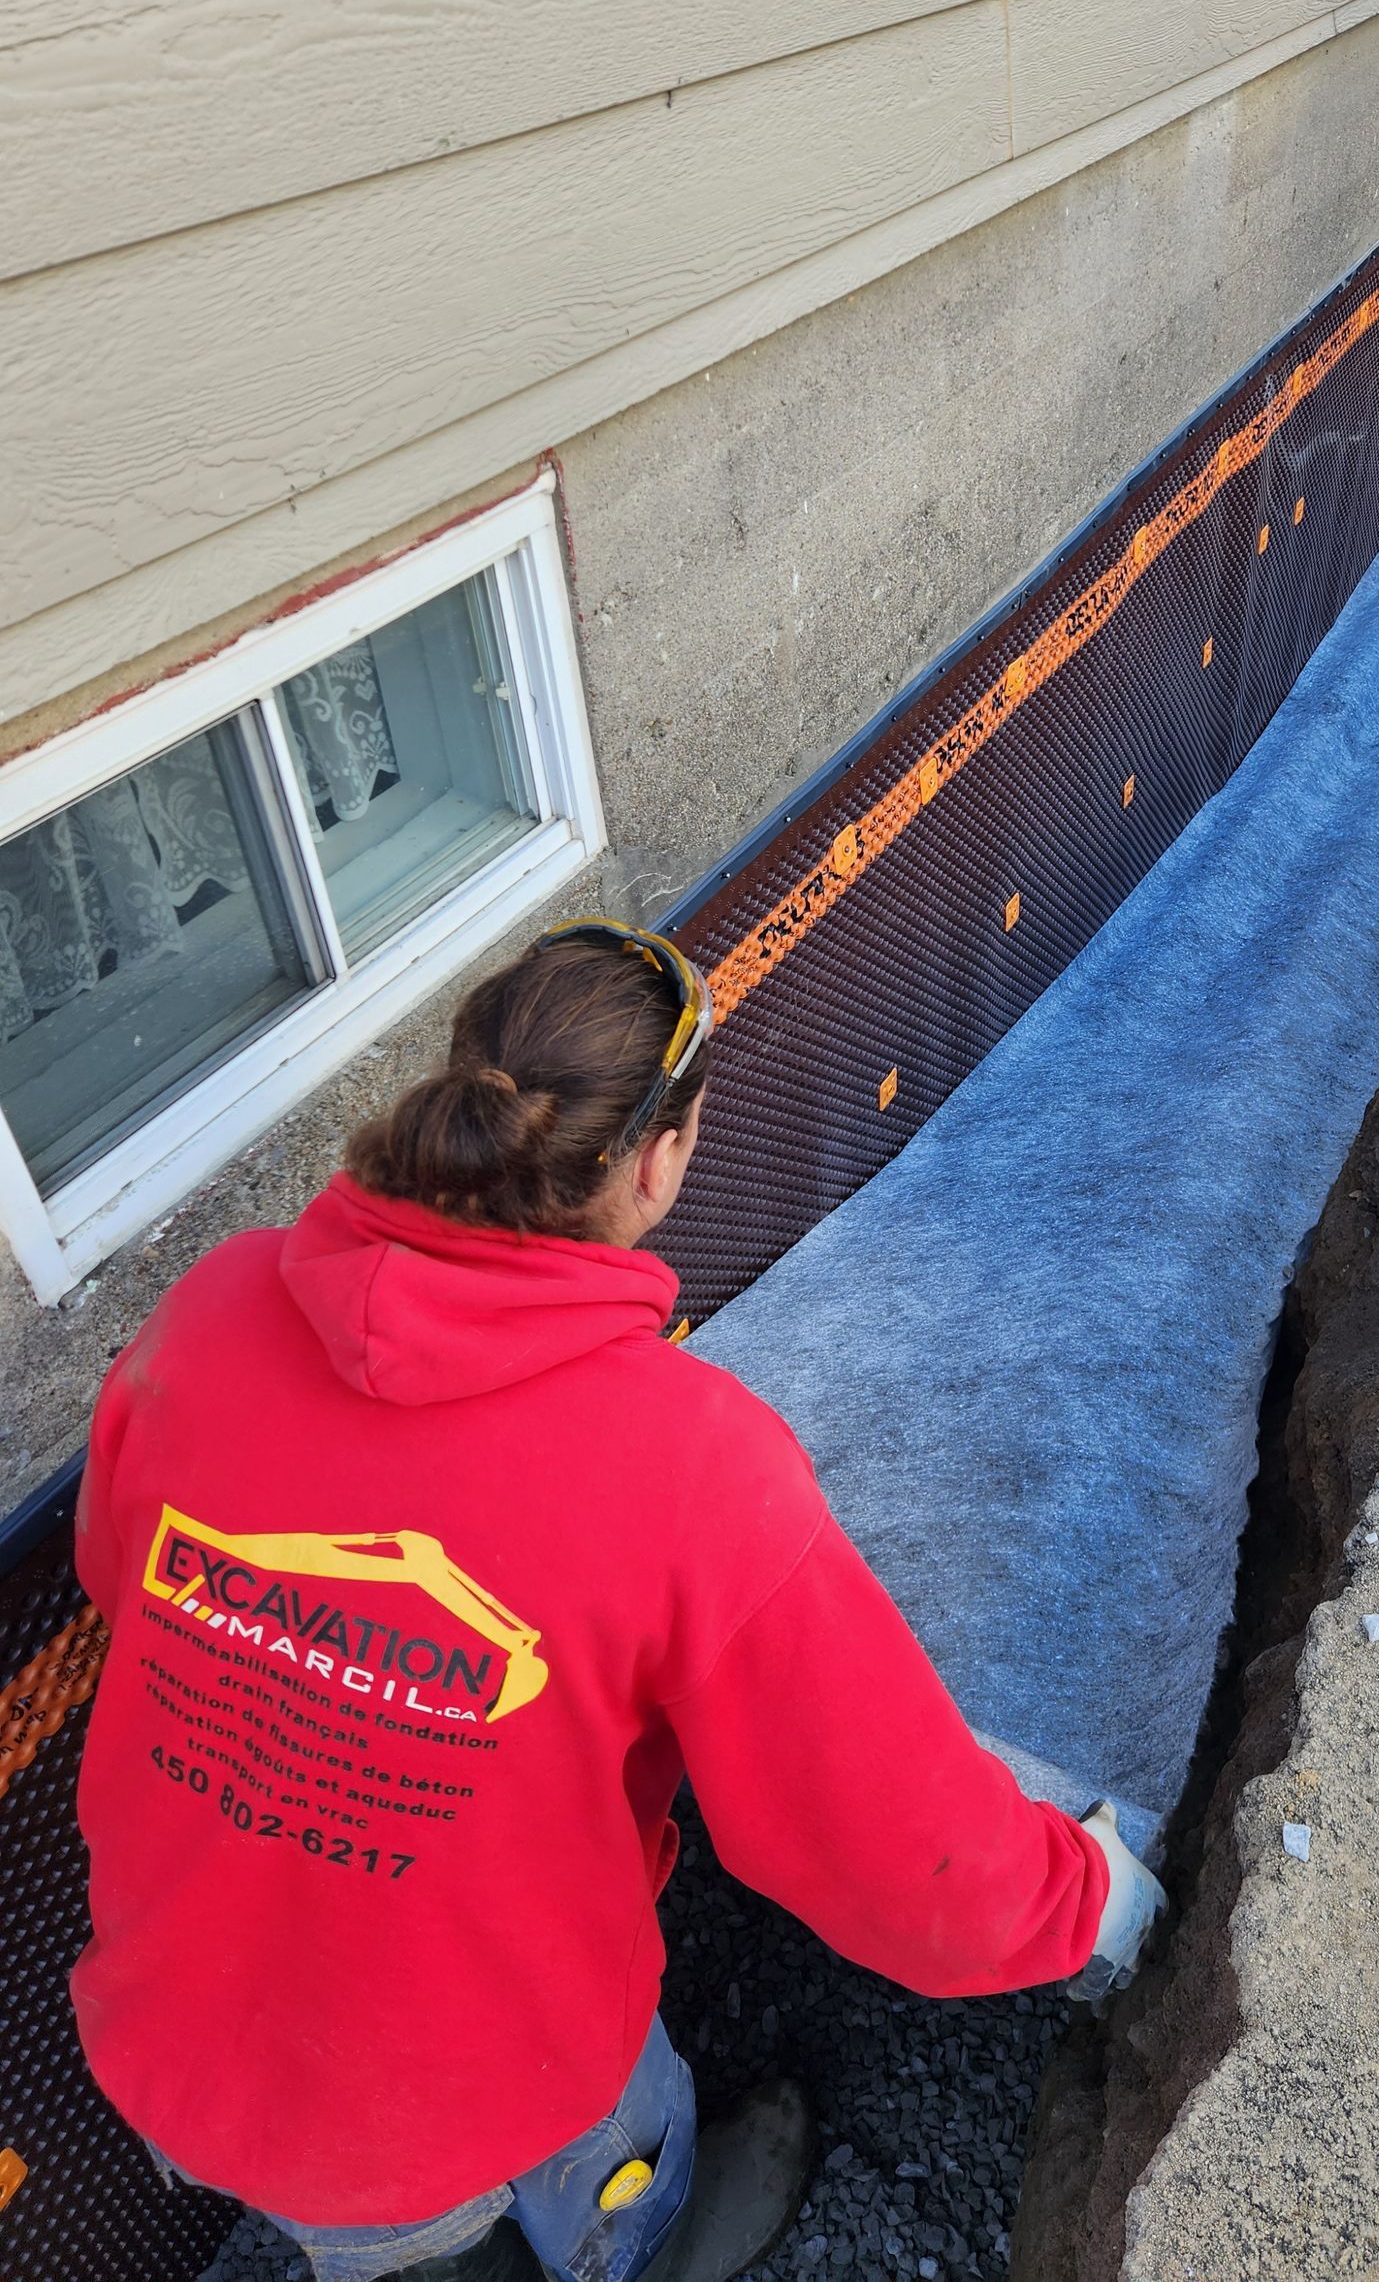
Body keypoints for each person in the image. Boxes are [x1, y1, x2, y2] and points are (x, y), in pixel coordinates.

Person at [70, 919, 1164, 2282]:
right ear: (658, 1165)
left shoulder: (213, 1310)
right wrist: (1090, 1906)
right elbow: (896, 1850)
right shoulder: (690, 1467)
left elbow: (127, 1584)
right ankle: (644, 2238)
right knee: (594, 2165)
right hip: (442, 2109)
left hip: (164, 2035)